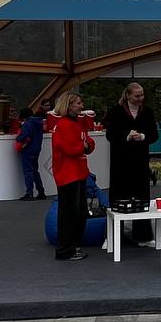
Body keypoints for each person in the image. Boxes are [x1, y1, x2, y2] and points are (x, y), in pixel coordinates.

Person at [104, 82, 160, 245]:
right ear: (128, 95)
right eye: (137, 96)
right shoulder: (116, 112)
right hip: (120, 161)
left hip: (140, 161)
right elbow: (110, 135)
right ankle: (114, 237)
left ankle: (143, 235)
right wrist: (126, 137)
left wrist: (143, 137)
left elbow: (154, 134)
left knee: (141, 196)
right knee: (119, 196)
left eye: (142, 95)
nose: (140, 98)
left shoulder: (147, 112)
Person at [52, 91, 96, 261]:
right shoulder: (64, 125)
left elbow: (89, 144)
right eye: (78, 103)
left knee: (79, 212)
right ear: (69, 105)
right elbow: (72, 148)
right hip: (67, 174)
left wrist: (84, 146)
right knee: (69, 214)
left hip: (78, 172)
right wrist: (83, 146)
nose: (81, 106)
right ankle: (65, 249)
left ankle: (73, 244)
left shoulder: (76, 123)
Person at [14, 107, 45, 200]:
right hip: (37, 149)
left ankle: (29, 193)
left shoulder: (27, 124)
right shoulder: (38, 122)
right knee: (35, 171)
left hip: (28, 150)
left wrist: (18, 138)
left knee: (28, 172)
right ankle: (41, 191)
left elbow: (24, 136)